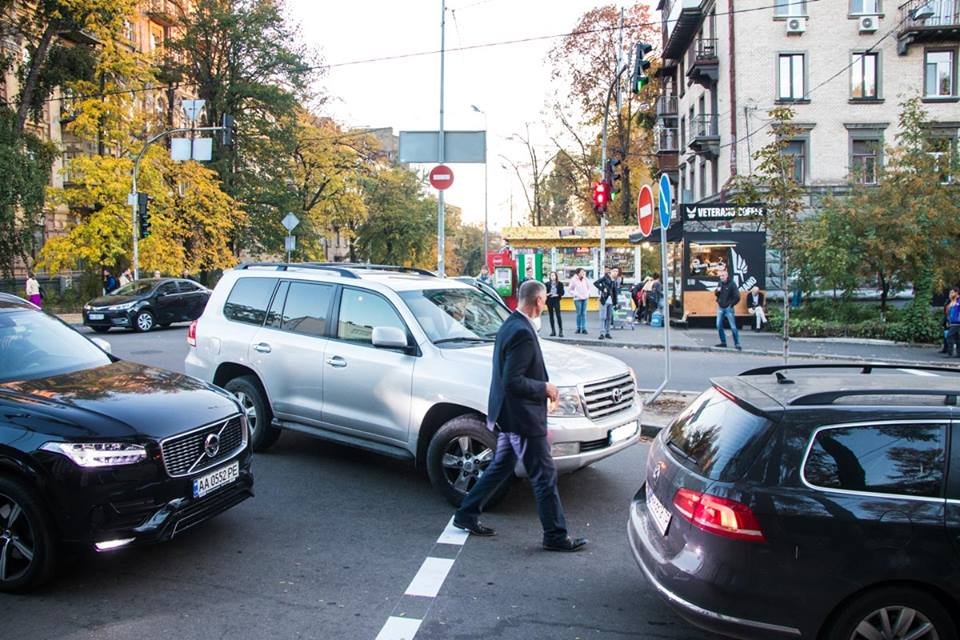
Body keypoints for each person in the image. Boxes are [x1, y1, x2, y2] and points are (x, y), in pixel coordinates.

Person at [452, 280, 587, 552]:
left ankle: (465, 514)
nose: (546, 303)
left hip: (509, 415)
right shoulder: (522, 332)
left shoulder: (511, 324)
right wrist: (545, 388)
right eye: (545, 299)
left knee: (501, 465)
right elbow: (513, 380)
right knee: (543, 476)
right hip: (522, 418)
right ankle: (555, 535)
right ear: (538, 300)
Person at [714, 270, 742, 350]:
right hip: (720, 306)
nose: (721, 277)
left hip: (728, 308)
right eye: (720, 276)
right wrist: (717, 291)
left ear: (726, 276)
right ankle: (723, 342)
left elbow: (737, 297)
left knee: (733, 326)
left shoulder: (732, 284)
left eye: (722, 276)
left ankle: (737, 343)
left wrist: (731, 305)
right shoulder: (720, 283)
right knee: (718, 325)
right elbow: (716, 294)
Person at [593, 266, 620, 340]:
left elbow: (615, 293)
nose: (616, 272)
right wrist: (602, 289)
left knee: (609, 318)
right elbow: (595, 283)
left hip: (611, 301)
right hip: (604, 300)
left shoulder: (615, 280)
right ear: (610, 271)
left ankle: (607, 333)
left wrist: (616, 303)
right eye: (614, 271)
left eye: (617, 271)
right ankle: (601, 333)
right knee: (603, 317)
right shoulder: (605, 277)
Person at [567, 268, 591, 335]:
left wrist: (588, 294)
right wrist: (575, 294)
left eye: (584, 272)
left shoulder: (585, 279)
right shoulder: (574, 280)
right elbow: (570, 289)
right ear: (578, 273)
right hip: (577, 299)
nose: (583, 273)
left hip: (585, 298)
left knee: (584, 313)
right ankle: (578, 328)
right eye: (582, 272)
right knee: (579, 313)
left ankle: (583, 328)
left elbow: (589, 287)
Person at [545, 271, 565, 337]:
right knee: (551, 316)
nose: (553, 277)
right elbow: (544, 293)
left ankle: (560, 331)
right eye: (551, 276)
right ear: (550, 277)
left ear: (556, 276)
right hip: (549, 300)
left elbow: (562, 292)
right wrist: (548, 294)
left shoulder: (559, 284)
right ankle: (553, 331)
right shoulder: (547, 284)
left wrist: (557, 294)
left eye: (554, 275)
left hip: (556, 300)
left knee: (558, 315)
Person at [941, 287, 958, 354]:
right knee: (946, 335)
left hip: (955, 322)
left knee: (950, 336)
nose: (950, 294)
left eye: (952, 292)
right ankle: (946, 349)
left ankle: (950, 351)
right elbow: (946, 312)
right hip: (948, 320)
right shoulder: (948, 301)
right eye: (950, 293)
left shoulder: (957, 302)